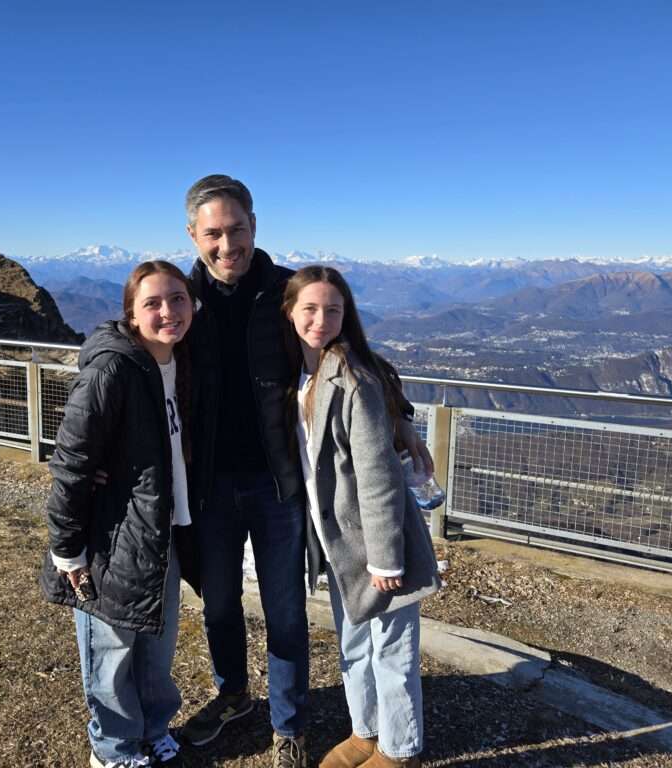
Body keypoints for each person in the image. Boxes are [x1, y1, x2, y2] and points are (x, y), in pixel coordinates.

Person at [178, 174, 433, 768]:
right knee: (218, 604)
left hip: (279, 484)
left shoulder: (284, 291)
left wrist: (399, 418)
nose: (226, 244)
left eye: (236, 229)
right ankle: (233, 695)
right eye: (212, 233)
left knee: (286, 608)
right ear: (193, 235)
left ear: (254, 226)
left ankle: (288, 722)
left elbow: (350, 354)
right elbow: (137, 353)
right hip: (210, 483)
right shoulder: (179, 299)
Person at [40, 261, 200, 768]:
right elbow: (71, 462)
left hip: (162, 528)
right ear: (131, 313)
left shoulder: (181, 363)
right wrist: (68, 549)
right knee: (109, 651)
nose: (168, 311)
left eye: (177, 298)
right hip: (109, 535)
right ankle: (113, 748)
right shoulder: (112, 368)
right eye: (152, 302)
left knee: (156, 640)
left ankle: (153, 728)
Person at [283, 265, 442, 768]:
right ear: (289, 311)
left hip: (376, 546)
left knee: (392, 650)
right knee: (354, 643)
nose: (321, 319)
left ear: (346, 314)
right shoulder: (303, 373)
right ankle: (365, 731)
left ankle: (399, 751)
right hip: (338, 545)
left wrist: (388, 560)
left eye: (333, 309)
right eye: (309, 308)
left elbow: (376, 476)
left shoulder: (352, 378)